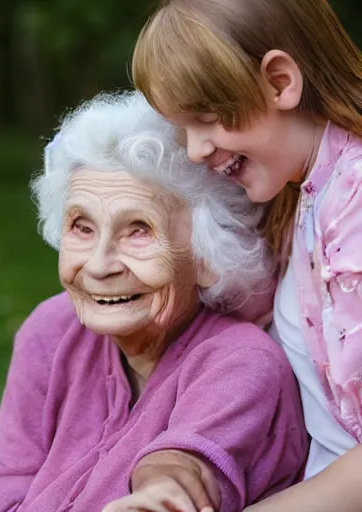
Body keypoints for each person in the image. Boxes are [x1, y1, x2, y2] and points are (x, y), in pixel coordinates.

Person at [0, 91, 307, 512]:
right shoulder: (49, 331)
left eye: (138, 230)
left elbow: (185, 464)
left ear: (208, 254)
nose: (100, 265)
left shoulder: (241, 361)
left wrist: (161, 494)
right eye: (82, 226)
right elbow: (10, 485)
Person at [131, 0, 362, 510]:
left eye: (207, 119)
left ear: (281, 82)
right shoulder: (306, 194)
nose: (195, 150)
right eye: (182, 129)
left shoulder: (355, 206)